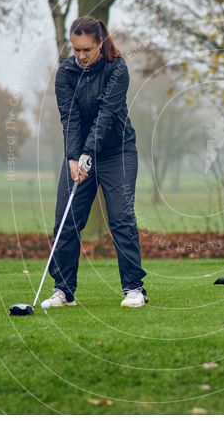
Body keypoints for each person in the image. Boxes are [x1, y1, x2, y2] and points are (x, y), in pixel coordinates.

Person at [43, 16, 148, 308]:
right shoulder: (65, 73)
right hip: (80, 154)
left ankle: (134, 288)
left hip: (118, 152)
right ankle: (63, 290)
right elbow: (70, 119)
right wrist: (74, 158)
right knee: (66, 219)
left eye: (86, 49)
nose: (80, 56)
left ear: (100, 43)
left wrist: (87, 155)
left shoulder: (118, 69)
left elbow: (106, 116)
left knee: (121, 217)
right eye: (76, 49)